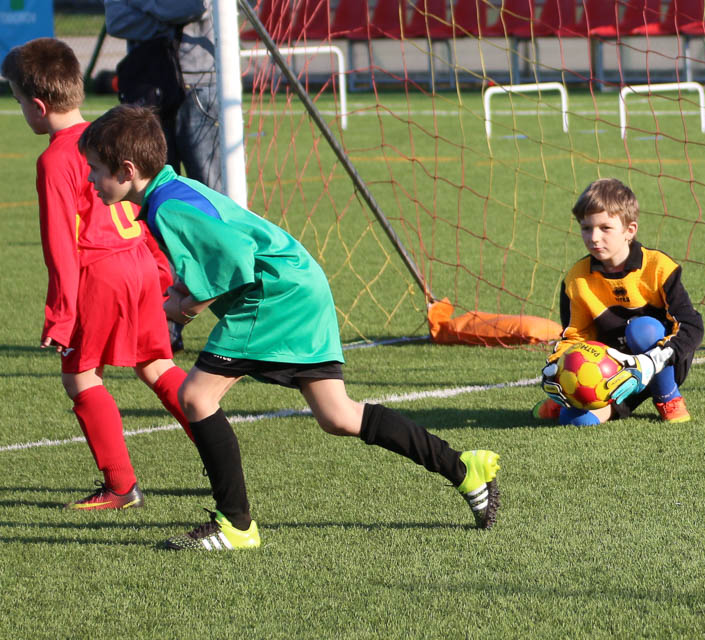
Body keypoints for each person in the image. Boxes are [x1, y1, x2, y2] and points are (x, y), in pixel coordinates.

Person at [79, 105, 503, 551]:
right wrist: (181, 296)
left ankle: (235, 525)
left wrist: (186, 307)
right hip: (300, 286)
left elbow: (235, 259)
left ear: (127, 170)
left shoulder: (168, 207)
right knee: (338, 416)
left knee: (195, 397)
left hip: (274, 297)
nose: (90, 178)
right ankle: (463, 469)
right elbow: (216, 251)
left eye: (96, 169)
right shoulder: (172, 192)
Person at [1, 38, 195, 509]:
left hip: (100, 275)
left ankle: (120, 486)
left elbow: (60, 247)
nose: (21, 109)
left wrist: (60, 315)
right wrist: (160, 268)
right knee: (157, 366)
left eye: (19, 101)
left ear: (38, 106)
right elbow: (144, 203)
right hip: (140, 263)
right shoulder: (108, 135)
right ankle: (219, 451)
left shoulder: (55, 160)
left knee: (81, 376)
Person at [536, 178, 704, 426]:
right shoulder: (577, 279)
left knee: (643, 329)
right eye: (586, 228)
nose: (594, 237)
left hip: (662, 363)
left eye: (605, 228)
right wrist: (555, 367)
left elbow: (692, 325)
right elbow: (575, 336)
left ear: (629, 230)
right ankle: (569, 399)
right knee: (576, 421)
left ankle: (668, 398)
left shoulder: (658, 268)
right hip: (612, 373)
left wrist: (652, 360)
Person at [105, 0, 222, 352]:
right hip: (148, 84)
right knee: (154, 207)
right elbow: (116, 19)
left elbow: (192, 7)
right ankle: (166, 325)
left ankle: (238, 315)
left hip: (201, 86)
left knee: (211, 208)